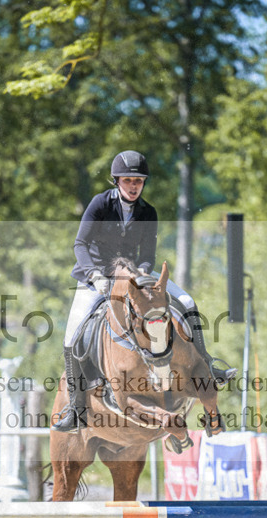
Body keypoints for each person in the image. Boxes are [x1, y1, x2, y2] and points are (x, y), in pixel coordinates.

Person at [53, 150, 236, 433]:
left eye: (138, 181)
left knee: (187, 300)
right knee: (72, 334)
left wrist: (140, 275)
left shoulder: (148, 212)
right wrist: (94, 275)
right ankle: (76, 409)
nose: (133, 185)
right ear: (117, 181)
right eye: (128, 180)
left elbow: (148, 254)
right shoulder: (100, 204)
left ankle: (208, 364)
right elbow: (80, 244)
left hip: (136, 276)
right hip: (96, 277)